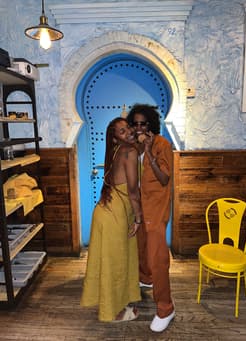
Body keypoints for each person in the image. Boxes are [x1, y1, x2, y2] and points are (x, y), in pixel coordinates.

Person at [80, 117, 143, 322]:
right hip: (114, 216)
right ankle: (113, 313)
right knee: (115, 264)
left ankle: (117, 302)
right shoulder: (130, 152)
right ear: (116, 139)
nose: (129, 132)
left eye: (128, 128)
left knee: (113, 262)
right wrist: (139, 219)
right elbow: (133, 191)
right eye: (122, 131)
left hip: (105, 213)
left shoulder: (117, 151)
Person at [127, 104, 175, 332]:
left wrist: (151, 154)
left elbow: (164, 179)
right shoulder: (135, 147)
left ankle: (166, 308)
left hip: (156, 209)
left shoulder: (162, 144)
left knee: (158, 258)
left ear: (151, 125)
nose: (138, 128)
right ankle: (145, 278)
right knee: (141, 247)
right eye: (135, 123)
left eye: (143, 123)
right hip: (141, 208)